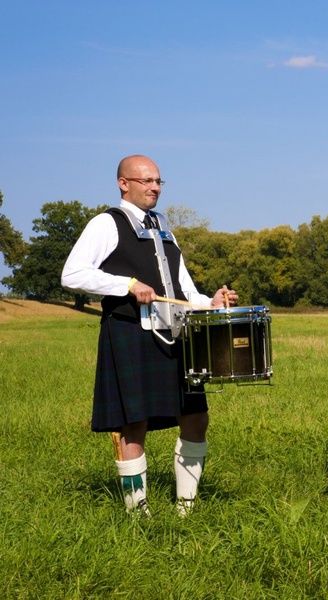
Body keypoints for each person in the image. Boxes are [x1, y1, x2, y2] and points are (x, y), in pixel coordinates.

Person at [61, 154, 237, 516]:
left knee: (196, 416)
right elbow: (72, 274)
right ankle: (137, 514)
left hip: (175, 336)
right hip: (130, 333)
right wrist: (124, 284)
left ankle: (185, 508)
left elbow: (183, 288)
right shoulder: (107, 223)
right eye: (146, 181)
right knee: (133, 423)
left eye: (158, 181)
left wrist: (210, 301)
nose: (155, 187)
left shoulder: (163, 228)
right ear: (123, 183)